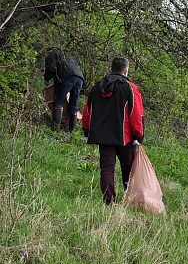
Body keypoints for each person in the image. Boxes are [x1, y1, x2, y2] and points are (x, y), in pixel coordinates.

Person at [82, 56, 144, 205]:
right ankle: (130, 198)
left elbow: (87, 112)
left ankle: (109, 201)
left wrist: (86, 131)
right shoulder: (130, 88)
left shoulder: (97, 87)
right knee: (128, 169)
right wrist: (139, 135)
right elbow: (136, 114)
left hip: (103, 136)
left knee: (107, 169)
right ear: (126, 71)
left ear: (110, 69)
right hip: (125, 137)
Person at [43, 48, 85, 131]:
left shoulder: (52, 55)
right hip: (80, 78)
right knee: (73, 104)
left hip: (68, 78)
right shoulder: (68, 56)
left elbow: (51, 69)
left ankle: (56, 128)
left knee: (58, 101)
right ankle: (72, 130)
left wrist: (46, 79)